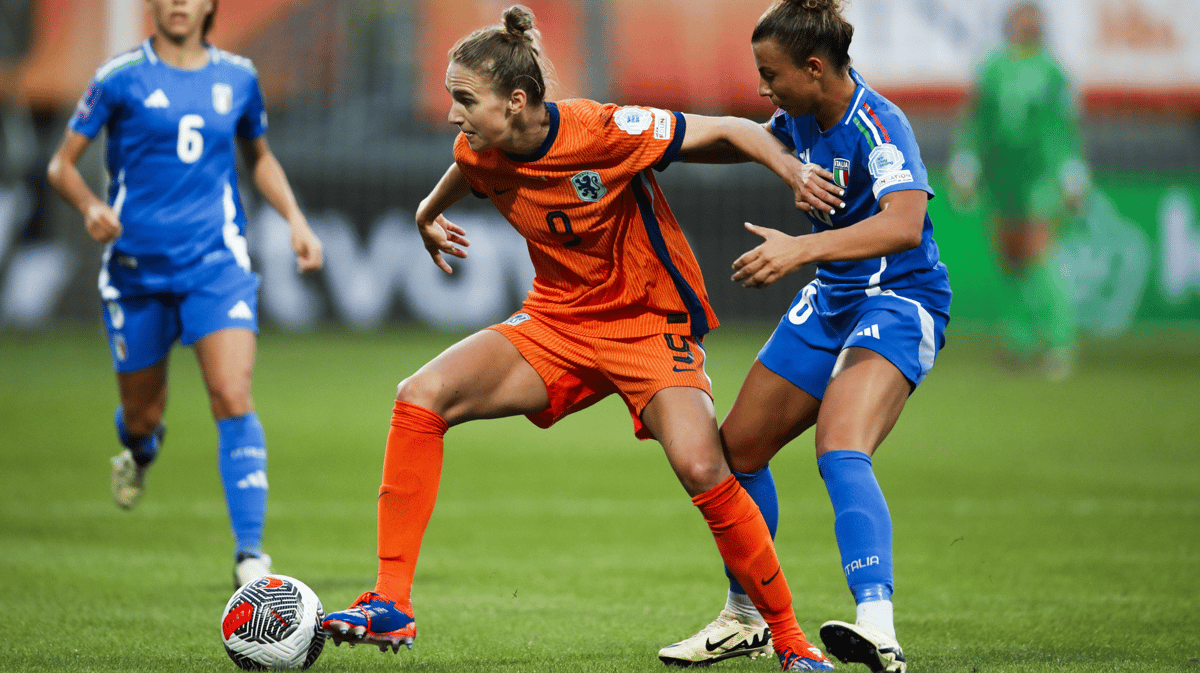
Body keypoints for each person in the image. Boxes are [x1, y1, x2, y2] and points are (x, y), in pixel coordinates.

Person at [320, 5, 834, 671]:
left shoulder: (604, 129)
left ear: (518, 100)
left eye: (464, 100)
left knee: (704, 466)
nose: (453, 115)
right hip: (558, 321)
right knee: (421, 395)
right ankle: (391, 601)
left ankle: (790, 642)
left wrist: (792, 171)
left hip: (647, 322)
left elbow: (734, 128)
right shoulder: (479, 144)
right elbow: (470, 170)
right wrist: (427, 213)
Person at [656, 1, 951, 672]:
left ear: (815, 68)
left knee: (841, 445)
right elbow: (741, 137)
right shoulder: (798, 120)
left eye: (771, 74)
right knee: (736, 451)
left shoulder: (880, 125)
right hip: (835, 300)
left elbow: (905, 223)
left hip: (900, 298)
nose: (765, 89)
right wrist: (642, 148)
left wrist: (798, 252)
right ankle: (746, 615)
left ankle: (878, 625)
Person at [46, 0, 323, 588]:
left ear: (209, 7)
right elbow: (61, 166)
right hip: (136, 271)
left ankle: (250, 556)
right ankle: (141, 449)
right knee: (144, 416)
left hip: (215, 265)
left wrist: (296, 220)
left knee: (231, 392)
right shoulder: (118, 79)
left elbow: (261, 158)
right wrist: (92, 206)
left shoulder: (239, 78)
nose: (178, 4)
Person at [949, 0, 1087, 380]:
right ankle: (1019, 342)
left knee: (1039, 251)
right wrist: (966, 164)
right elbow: (976, 122)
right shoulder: (993, 68)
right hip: (1000, 178)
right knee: (1010, 256)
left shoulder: (1053, 72)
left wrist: (1073, 174)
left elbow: (1065, 129)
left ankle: (1060, 341)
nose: (1026, 25)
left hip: (1040, 176)